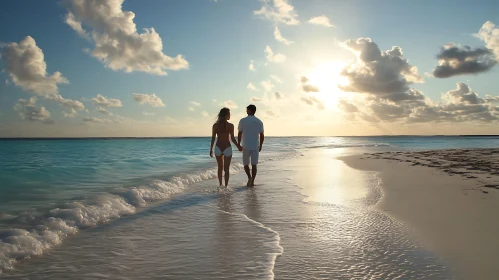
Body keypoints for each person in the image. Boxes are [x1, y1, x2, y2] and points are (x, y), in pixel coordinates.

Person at [210, 107, 242, 187]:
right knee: (226, 169)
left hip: (218, 147)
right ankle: (226, 187)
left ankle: (221, 185)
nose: (230, 115)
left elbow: (213, 138)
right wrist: (238, 146)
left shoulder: (215, 126)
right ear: (226, 115)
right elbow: (232, 139)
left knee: (220, 168)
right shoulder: (230, 126)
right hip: (227, 147)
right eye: (229, 114)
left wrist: (211, 149)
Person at [237, 104, 264, 187]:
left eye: (247, 109)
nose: (246, 111)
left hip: (245, 145)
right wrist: (261, 145)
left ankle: (249, 178)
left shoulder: (243, 120)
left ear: (250, 110)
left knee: (245, 164)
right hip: (255, 145)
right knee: (254, 164)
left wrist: (238, 144)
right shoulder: (259, 121)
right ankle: (252, 181)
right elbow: (262, 135)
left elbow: (240, 133)